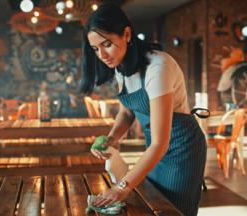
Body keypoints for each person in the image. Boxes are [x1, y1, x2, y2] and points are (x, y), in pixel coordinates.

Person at [80, 3, 208, 216]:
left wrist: (122, 187)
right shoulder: (122, 66)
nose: (101, 54)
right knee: (153, 204)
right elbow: (128, 110)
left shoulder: (158, 67)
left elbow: (160, 142)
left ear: (127, 34)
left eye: (107, 44)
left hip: (182, 150)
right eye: (95, 49)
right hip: (156, 147)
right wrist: (113, 137)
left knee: (173, 210)